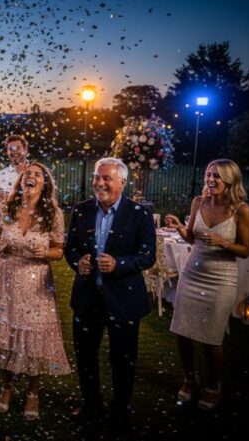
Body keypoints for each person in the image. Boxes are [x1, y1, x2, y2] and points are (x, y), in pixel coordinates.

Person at [0, 162, 71, 421]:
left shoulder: (53, 214)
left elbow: (59, 250)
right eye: (27, 174)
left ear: (45, 183)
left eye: (37, 175)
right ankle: (6, 387)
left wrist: (46, 252)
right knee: (5, 333)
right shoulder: (6, 208)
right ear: (20, 181)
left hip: (37, 282)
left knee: (33, 336)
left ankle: (32, 393)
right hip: (6, 278)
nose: (31, 177)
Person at [64, 157, 156, 438]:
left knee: (123, 358)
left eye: (106, 178)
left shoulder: (139, 213)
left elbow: (147, 256)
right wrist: (78, 261)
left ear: (122, 183)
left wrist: (120, 264)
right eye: (97, 177)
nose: (100, 183)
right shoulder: (81, 210)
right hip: (87, 298)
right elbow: (70, 249)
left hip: (124, 300)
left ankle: (120, 410)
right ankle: (92, 404)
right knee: (86, 355)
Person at [166, 159, 249, 411]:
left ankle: (214, 385)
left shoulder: (242, 210)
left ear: (230, 180)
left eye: (217, 176)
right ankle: (189, 379)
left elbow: (246, 250)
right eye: (208, 174)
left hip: (221, 280)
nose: (211, 180)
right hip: (192, 275)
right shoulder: (199, 202)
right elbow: (192, 237)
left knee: (212, 337)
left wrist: (221, 241)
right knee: (183, 331)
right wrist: (180, 227)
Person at [0, 134, 29, 215]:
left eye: (18, 148)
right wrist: (0, 203)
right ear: (7, 152)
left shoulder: (37, 173)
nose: (14, 151)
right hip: (6, 223)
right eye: (11, 149)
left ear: (25, 150)